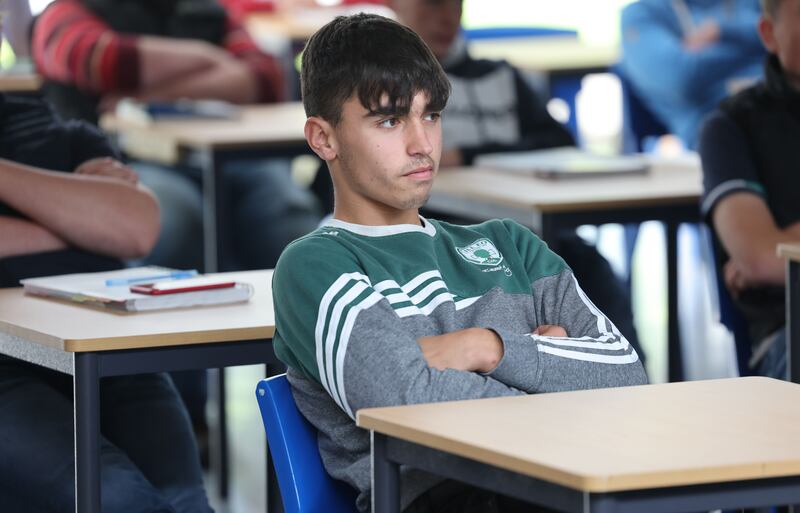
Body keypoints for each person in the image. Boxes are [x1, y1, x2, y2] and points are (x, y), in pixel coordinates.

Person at [272, 13, 648, 513]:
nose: (421, 144)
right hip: (446, 498)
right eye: (389, 120)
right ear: (323, 138)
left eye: (430, 115)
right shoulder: (315, 265)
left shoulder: (511, 244)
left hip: (562, 484)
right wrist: (550, 379)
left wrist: (485, 347)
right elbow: (405, 399)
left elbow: (625, 374)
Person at [383, 0, 644, 360]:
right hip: (441, 233)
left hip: (526, 231)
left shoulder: (499, 75)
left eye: (454, 6)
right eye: (431, 5)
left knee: (592, 270)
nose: (445, 17)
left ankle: (628, 380)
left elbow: (557, 140)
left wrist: (472, 155)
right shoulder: (383, 89)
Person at [0, 93, 213, 512]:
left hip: (110, 353)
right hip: (7, 365)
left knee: (184, 501)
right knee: (119, 498)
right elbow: (113, 229)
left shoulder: (52, 129)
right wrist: (81, 220)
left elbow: (134, 229)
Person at [31, 0, 321, 271]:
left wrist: (147, 96)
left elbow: (265, 76)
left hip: (228, 157)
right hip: (123, 162)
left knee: (285, 210)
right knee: (177, 220)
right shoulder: (65, 13)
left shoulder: (205, 10)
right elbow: (100, 60)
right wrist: (213, 62)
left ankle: (300, 319)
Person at [698, 0, 800, 379]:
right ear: (769, 34)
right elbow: (760, 259)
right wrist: (774, 255)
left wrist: (787, 241)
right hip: (789, 333)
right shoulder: (732, 127)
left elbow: (775, 256)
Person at [620, 0, 766, 149]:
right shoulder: (642, 15)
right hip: (720, 143)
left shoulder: (751, 3)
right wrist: (757, 52)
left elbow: (782, 40)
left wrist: (722, 31)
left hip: (778, 118)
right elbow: (681, 77)